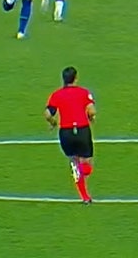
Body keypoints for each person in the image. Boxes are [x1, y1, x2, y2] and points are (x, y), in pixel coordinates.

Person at [45, 66, 97, 204]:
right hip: (82, 130)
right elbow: (91, 111)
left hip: (66, 133)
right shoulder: (84, 92)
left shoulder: (56, 95)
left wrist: (53, 122)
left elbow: (48, 114)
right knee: (87, 164)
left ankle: (84, 197)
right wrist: (91, 117)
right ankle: (82, 171)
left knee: (74, 162)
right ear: (76, 78)